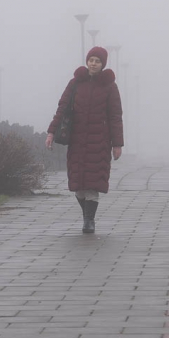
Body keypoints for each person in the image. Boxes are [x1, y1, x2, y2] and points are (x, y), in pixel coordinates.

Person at [46, 46, 123, 234]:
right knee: (78, 185)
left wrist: (117, 144)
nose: (93, 63)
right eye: (91, 60)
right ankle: (86, 216)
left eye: (97, 61)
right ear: (87, 61)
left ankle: (89, 220)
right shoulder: (75, 83)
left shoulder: (110, 86)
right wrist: (51, 132)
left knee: (93, 183)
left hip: (100, 141)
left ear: (102, 64)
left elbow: (115, 116)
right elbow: (62, 108)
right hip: (77, 140)